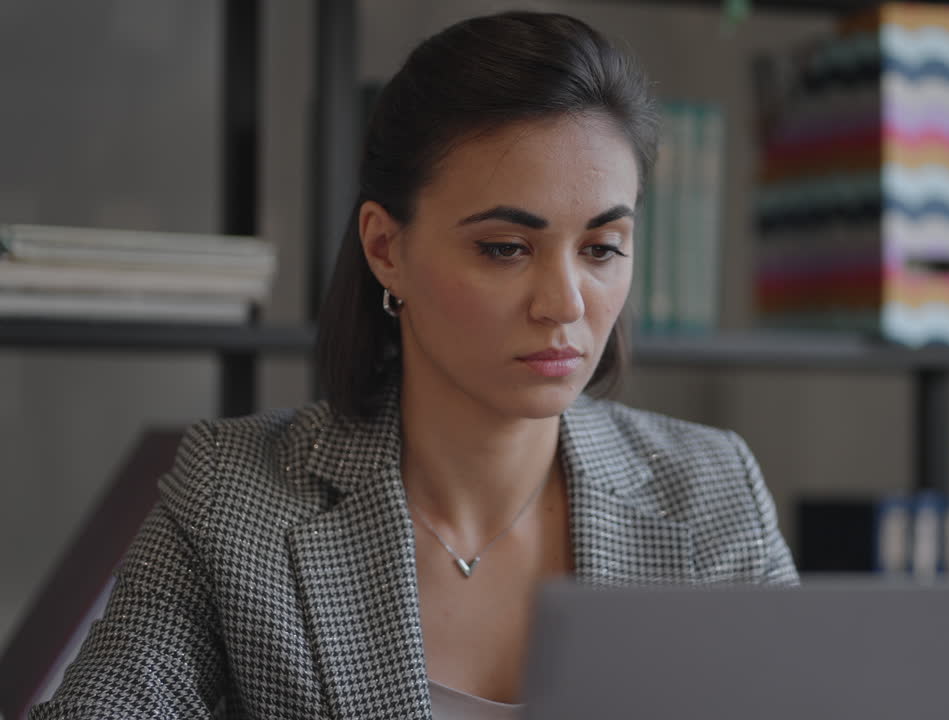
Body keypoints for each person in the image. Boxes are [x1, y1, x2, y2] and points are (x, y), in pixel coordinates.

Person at [33, 11, 796, 719]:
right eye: (505, 248)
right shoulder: (234, 496)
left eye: (600, 249)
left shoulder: (712, 491)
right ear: (385, 249)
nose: (564, 302)